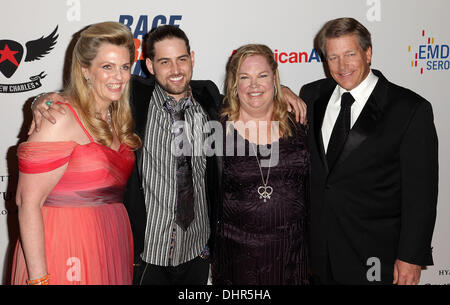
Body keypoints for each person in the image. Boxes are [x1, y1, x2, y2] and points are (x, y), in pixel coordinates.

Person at [29, 25, 306, 285]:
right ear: (149, 66)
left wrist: (281, 90)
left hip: (197, 253)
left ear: (192, 58)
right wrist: (43, 100)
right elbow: (90, 89)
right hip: (146, 256)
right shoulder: (133, 98)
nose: (175, 70)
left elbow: (250, 92)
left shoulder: (208, 99)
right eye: (164, 62)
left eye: (182, 59)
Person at [300, 17, 438, 285]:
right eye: (333, 57)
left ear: (368, 52)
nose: (342, 66)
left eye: (350, 54)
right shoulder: (312, 95)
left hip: (378, 258)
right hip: (320, 255)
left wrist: (411, 257)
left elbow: (421, 194)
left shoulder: (409, 109)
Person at [11, 21, 141, 285]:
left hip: (110, 242)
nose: (119, 76)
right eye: (107, 67)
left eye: (125, 67)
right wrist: (39, 280)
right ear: (85, 70)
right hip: (65, 246)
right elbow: (27, 203)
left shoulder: (117, 116)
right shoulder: (58, 116)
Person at [211, 44, 309, 285]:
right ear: (235, 83)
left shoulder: (300, 123)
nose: (254, 85)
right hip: (236, 259)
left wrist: (284, 91)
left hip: (292, 255)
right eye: (245, 77)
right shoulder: (216, 130)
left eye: (262, 76)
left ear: (274, 78)